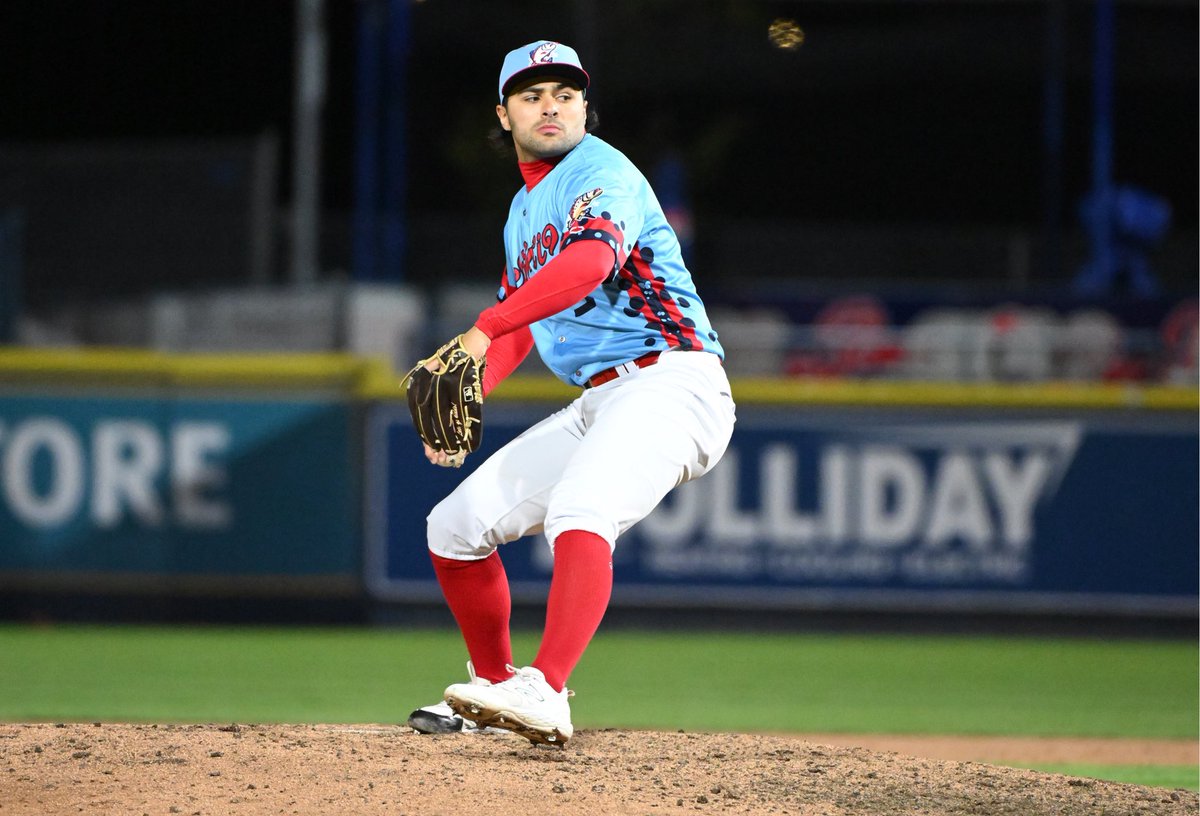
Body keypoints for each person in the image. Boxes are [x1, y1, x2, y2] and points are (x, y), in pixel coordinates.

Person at [406, 40, 736, 747]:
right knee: (454, 528)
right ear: (504, 115)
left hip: (674, 379)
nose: (550, 105)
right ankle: (494, 696)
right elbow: (525, 324)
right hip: (601, 400)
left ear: (587, 106)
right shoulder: (523, 212)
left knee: (581, 512)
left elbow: (589, 263)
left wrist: (482, 327)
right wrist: (479, 384)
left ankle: (547, 691)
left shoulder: (603, 172)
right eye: (531, 95)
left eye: (564, 92)